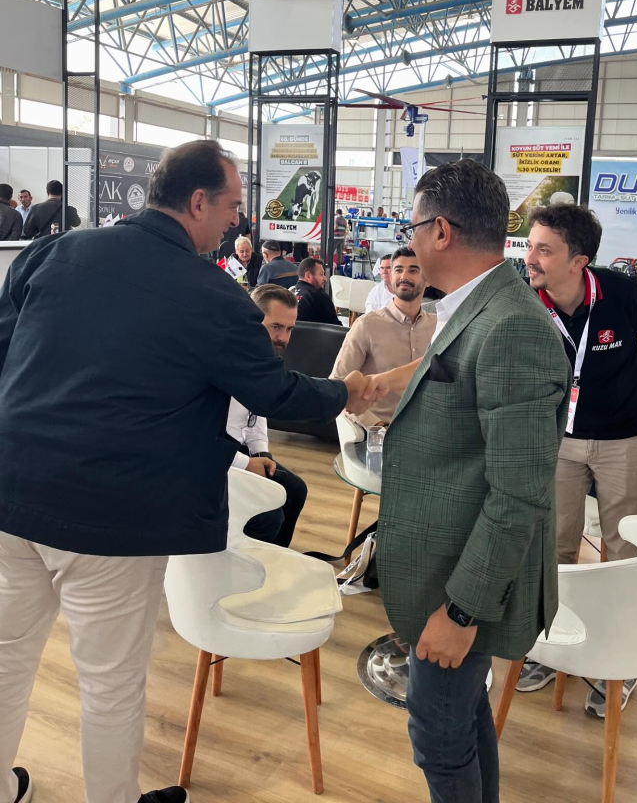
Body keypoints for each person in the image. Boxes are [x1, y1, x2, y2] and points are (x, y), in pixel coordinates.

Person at [0, 139, 377, 803]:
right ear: (199, 202)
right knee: (110, 681)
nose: (237, 220)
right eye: (232, 205)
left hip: (10, 487)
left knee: (5, 658)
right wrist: (349, 391)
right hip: (110, 515)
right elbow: (278, 393)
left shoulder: (54, 251)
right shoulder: (214, 297)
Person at [361, 161, 570, 803]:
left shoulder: (512, 326)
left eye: (413, 227)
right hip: (445, 564)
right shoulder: (476, 306)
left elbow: (519, 494)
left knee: (439, 738)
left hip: (462, 584)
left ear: (441, 231)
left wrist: (461, 611)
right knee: (463, 722)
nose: (409, 242)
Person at [519, 203, 637, 716]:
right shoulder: (525, 297)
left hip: (624, 438)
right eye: (531, 245)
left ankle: (622, 660)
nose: (531, 257)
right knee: (555, 546)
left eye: (545, 250)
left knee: (622, 549)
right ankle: (553, 643)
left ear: (578, 261)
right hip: (557, 439)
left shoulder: (623, 294)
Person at [227, 285, 309, 547]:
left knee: (295, 490)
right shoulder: (225, 360)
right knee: (267, 518)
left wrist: (261, 453)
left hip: (237, 449)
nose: (283, 337)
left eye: (289, 329)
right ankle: (238, 567)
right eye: (275, 327)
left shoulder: (262, 360)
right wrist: (246, 464)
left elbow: (256, 412)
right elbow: (199, 437)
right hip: (208, 458)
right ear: (252, 319)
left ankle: (274, 561)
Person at [332, 247, 436, 426]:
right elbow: (337, 386)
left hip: (428, 427)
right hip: (382, 429)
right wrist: (376, 426)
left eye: (413, 270)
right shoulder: (367, 325)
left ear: (427, 280)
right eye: (398, 270)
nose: (404, 276)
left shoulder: (438, 327)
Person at [294, 257, 341, 326]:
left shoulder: (290, 292)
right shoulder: (318, 296)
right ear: (308, 276)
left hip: (293, 332)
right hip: (312, 333)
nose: (325, 279)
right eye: (321, 274)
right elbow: (336, 327)